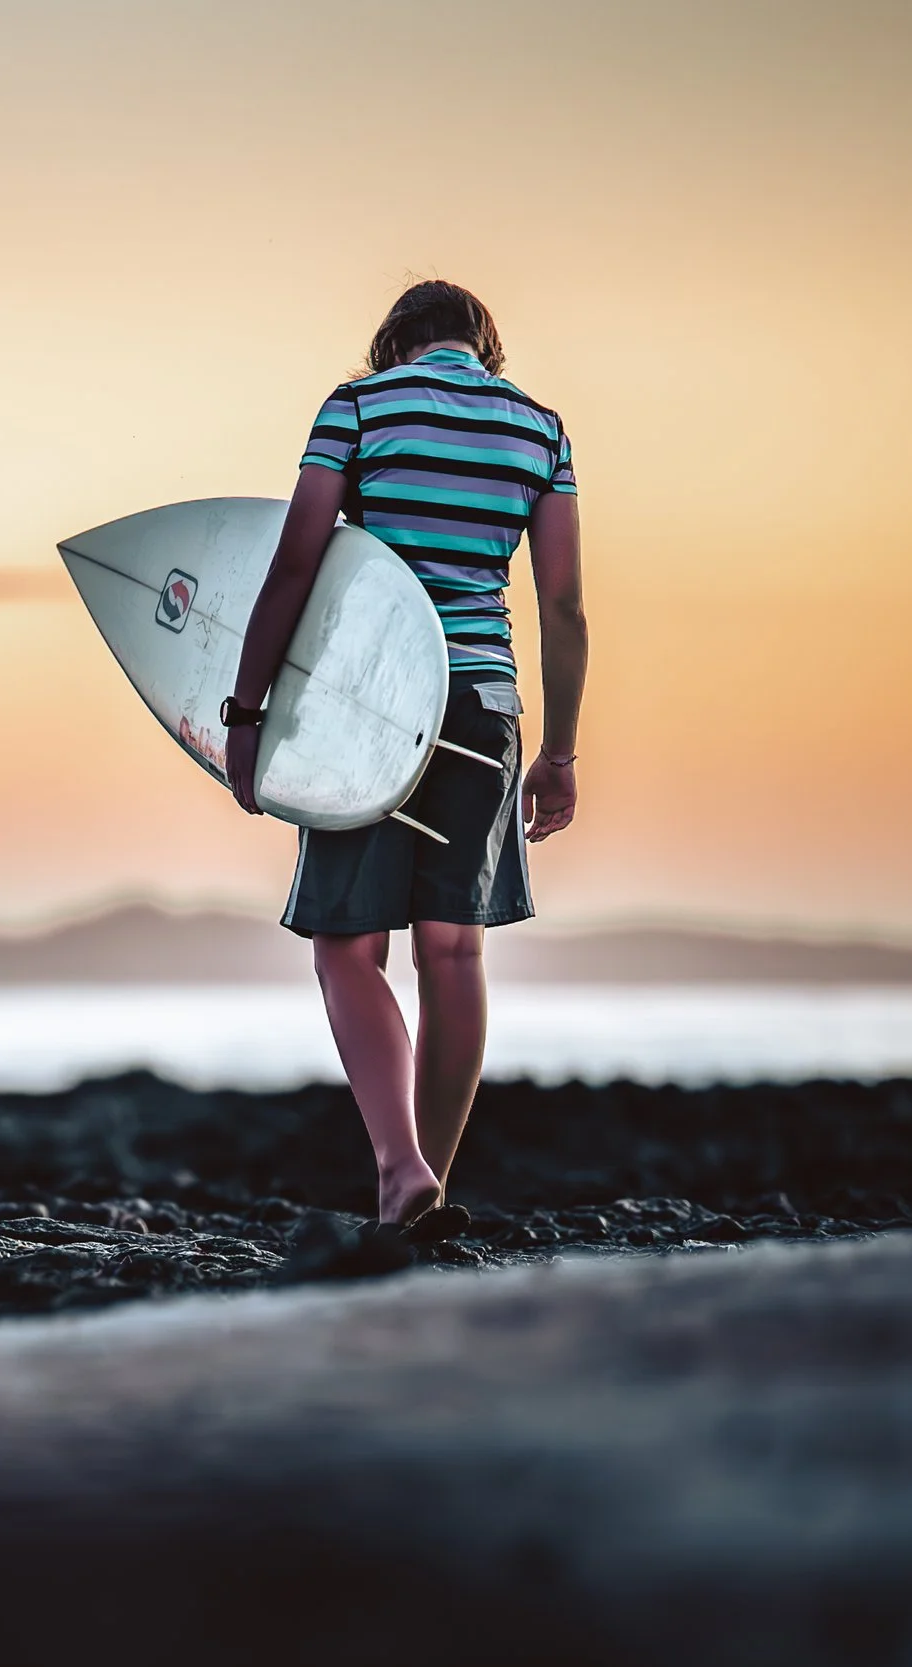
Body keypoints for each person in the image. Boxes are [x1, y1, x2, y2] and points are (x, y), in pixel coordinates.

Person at [224, 281, 586, 1228]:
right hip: (484, 700)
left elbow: (299, 562)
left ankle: (400, 1168)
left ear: (394, 343)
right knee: (453, 948)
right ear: (485, 346)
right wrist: (559, 752)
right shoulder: (541, 432)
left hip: (370, 702)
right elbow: (563, 608)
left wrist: (246, 708)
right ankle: (423, 1184)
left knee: (349, 947)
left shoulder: (357, 408)